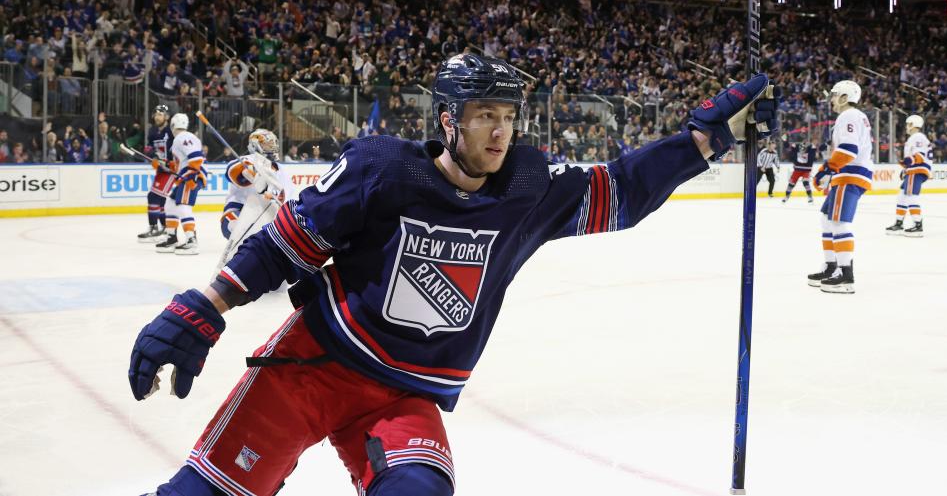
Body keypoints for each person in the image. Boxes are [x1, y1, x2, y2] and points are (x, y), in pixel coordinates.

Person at [128, 54, 778, 496]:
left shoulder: (528, 187)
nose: (500, 130)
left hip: (405, 395)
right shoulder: (382, 169)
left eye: (507, 115)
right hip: (315, 365)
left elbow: (625, 190)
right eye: (484, 114)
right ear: (447, 119)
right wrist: (203, 304)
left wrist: (699, 143)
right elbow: (285, 244)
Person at [807, 80, 873, 294]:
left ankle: (846, 276)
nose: (832, 99)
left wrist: (826, 169)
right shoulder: (855, 116)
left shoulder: (848, 115)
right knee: (827, 219)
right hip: (848, 174)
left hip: (849, 175)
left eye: (835, 95)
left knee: (838, 222)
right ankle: (831, 266)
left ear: (845, 98)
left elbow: (849, 149)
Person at [220, 129, 296, 264]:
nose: (272, 147)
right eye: (267, 144)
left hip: (264, 218)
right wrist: (249, 172)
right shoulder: (249, 160)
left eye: (273, 143)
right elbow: (231, 170)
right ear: (255, 145)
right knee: (245, 234)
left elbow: (287, 200)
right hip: (237, 213)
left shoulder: (283, 171)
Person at [155, 113, 208, 256]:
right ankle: (172, 237)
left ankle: (191, 240)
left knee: (183, 206)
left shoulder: (183, 137)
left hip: (190, 177)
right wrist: (165, 164)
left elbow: (196, 158)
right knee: (170, 203)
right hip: (186, 176)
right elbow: (180, 164)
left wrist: (191, 176)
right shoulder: (182, 138)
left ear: (172, 125)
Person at [886, 114, 932, 237]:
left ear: (913, 124)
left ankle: (918, 225)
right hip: (913, 170)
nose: (906, 126)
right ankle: (899, 223)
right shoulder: (916, 137)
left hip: (916, 170)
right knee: (902, 195)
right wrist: (906, 169)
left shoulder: (917, 136)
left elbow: (919, 156)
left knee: (911, 196)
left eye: (908, 124)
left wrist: (906, 164)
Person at [138, 105, 176, 243]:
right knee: (158, 199)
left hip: (171, 171)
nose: (156, 117)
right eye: (155, 114)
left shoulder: (171, 131)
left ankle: (154, 227)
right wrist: (153, 157)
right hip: (161, 170)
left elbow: (178, 148)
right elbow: (148, 148)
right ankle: (164, 227)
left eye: (160, 114)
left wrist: (170, 162)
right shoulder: (153, 131)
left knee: (154, 196)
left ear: (166, 116)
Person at [781, 137, 817, 204]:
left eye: (804, 149)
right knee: (791, 183)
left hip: (806, 170)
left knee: (805, 182)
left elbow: (813, 152)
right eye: (801, 149)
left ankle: (810, 196)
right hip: (797, 169)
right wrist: (785, 141)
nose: (802, 151)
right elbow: (787, 146)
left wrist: (813, 146)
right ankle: (786, 196)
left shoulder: (810, 150)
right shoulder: (796, 149)